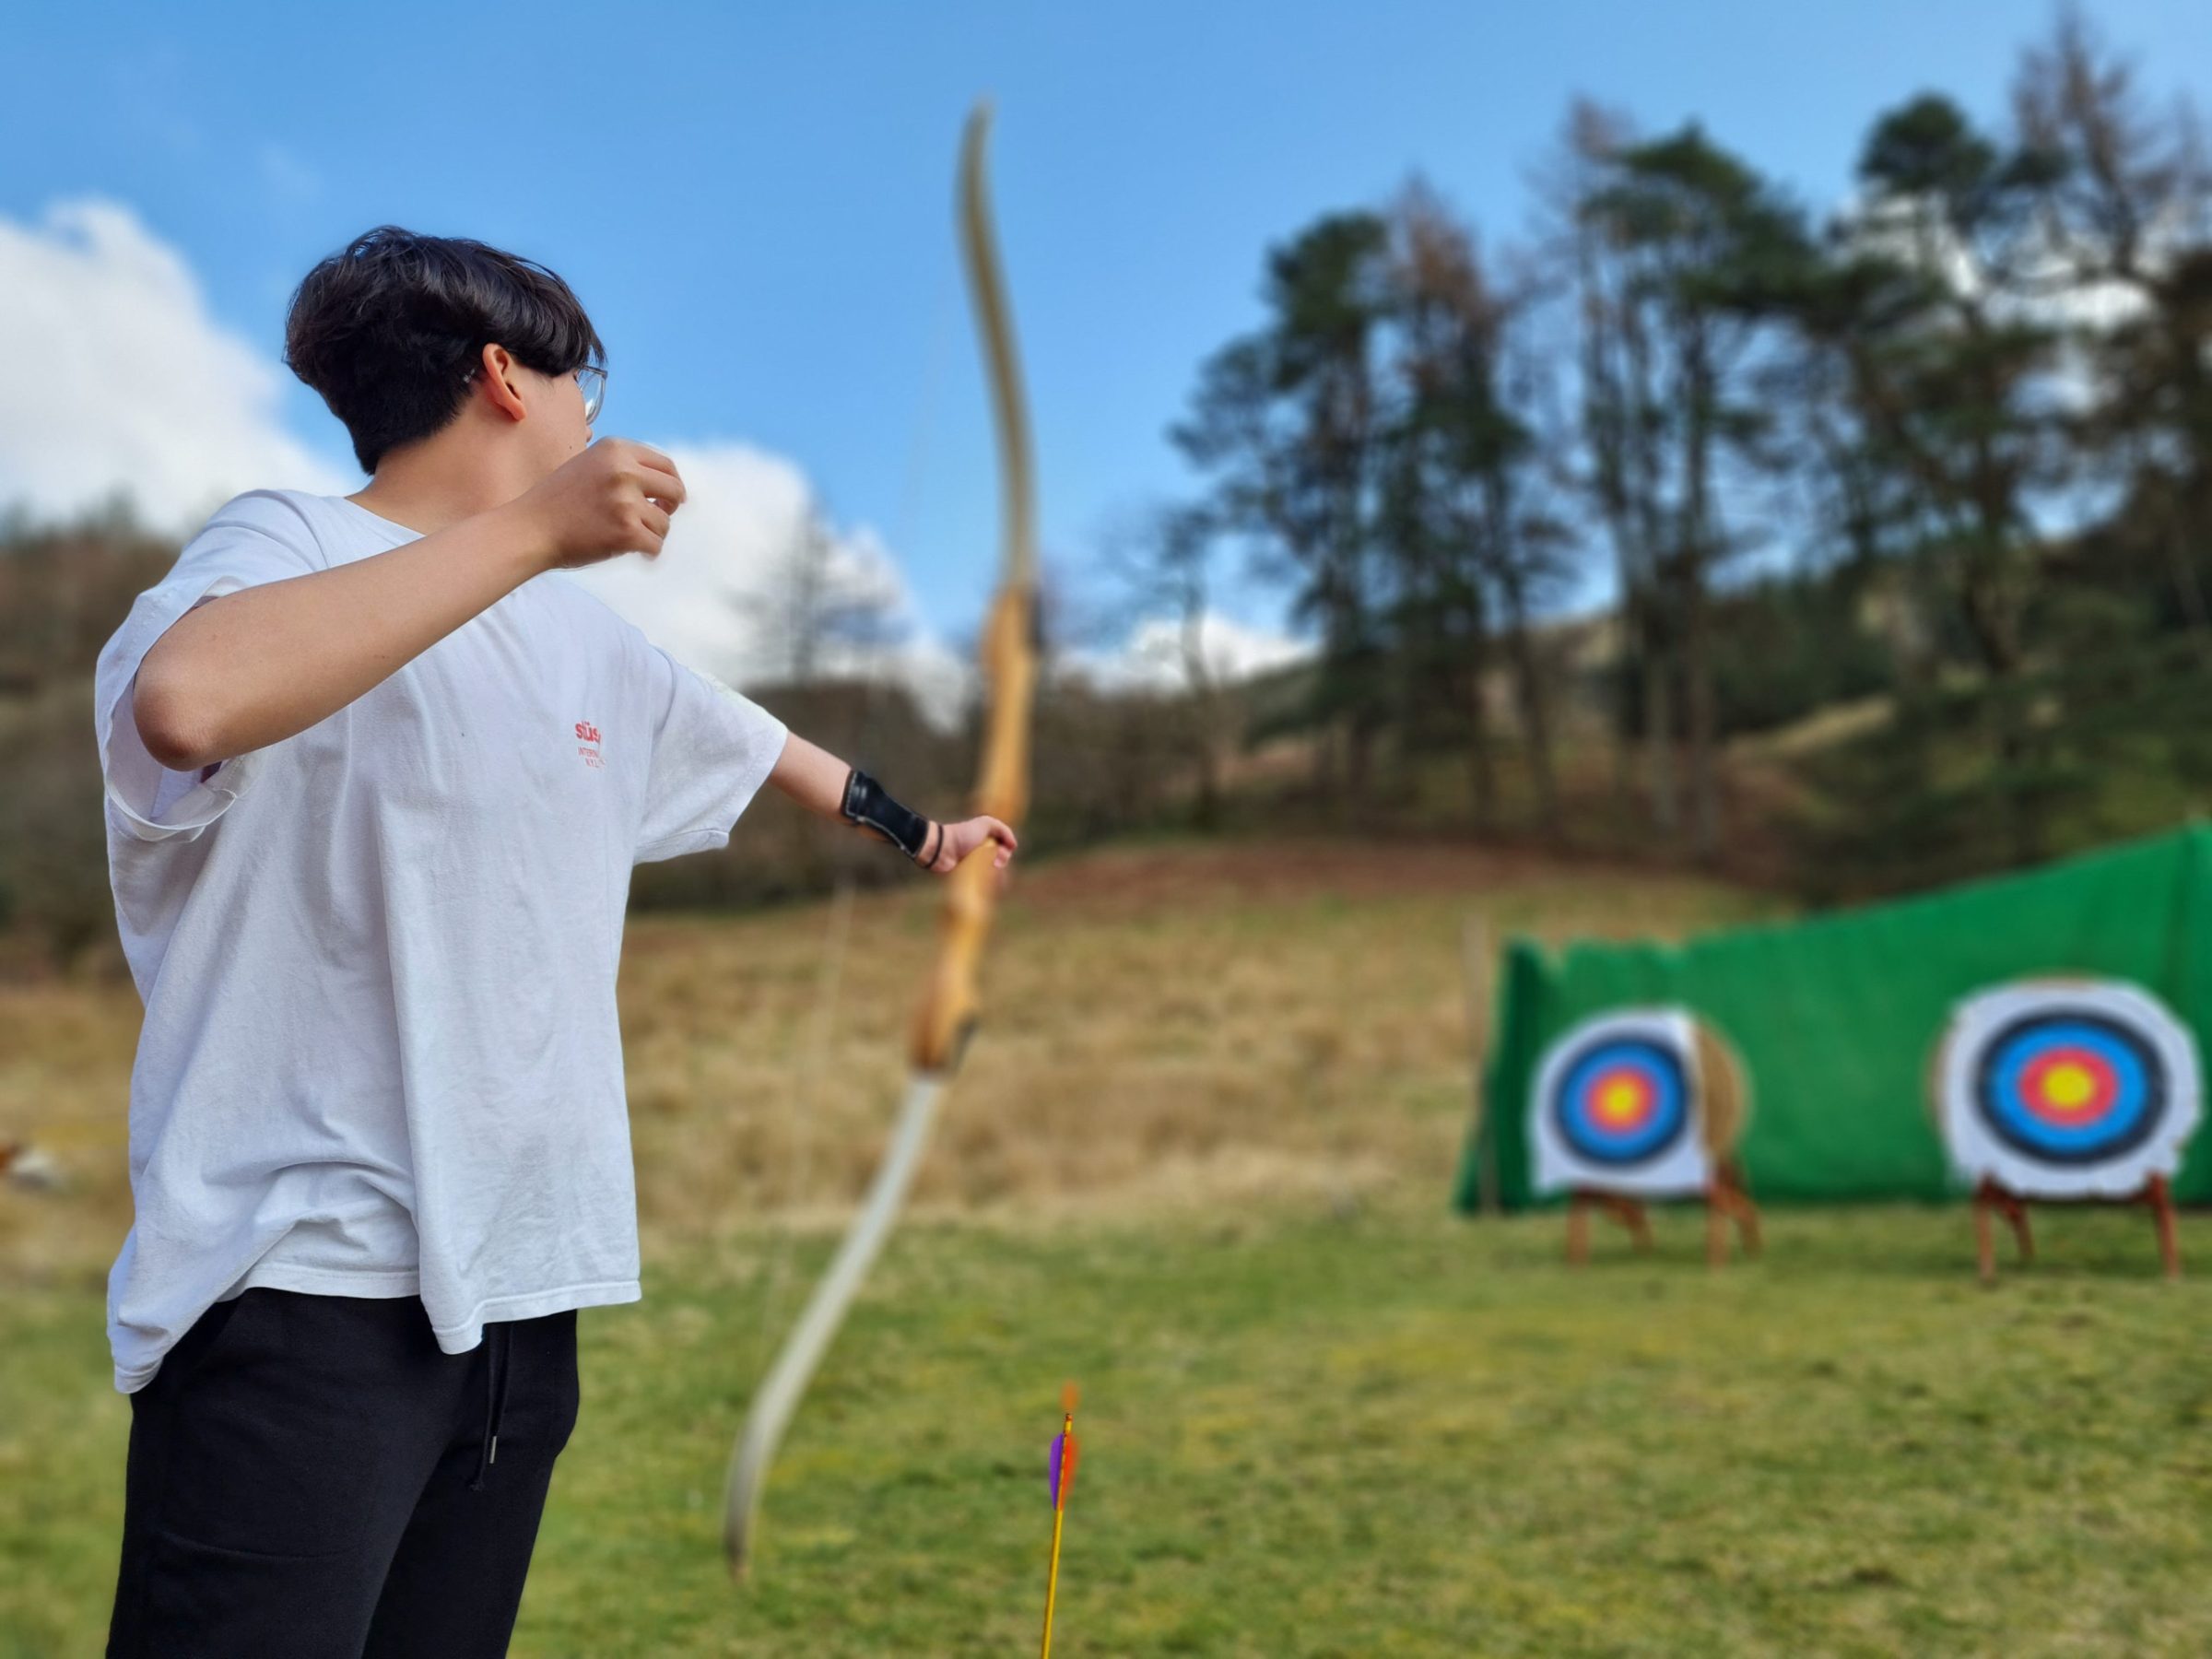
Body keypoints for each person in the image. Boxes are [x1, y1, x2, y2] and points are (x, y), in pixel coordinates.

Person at [94, 225, 1016, 1657]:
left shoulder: (587, 645)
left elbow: (776, 753)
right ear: (506, 379)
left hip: (525, 1308)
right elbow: (187, 704)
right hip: (303, 1301)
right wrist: (535, 529)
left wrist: (927, 838)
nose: (598, 408)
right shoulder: (283, 543)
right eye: (584, 377)